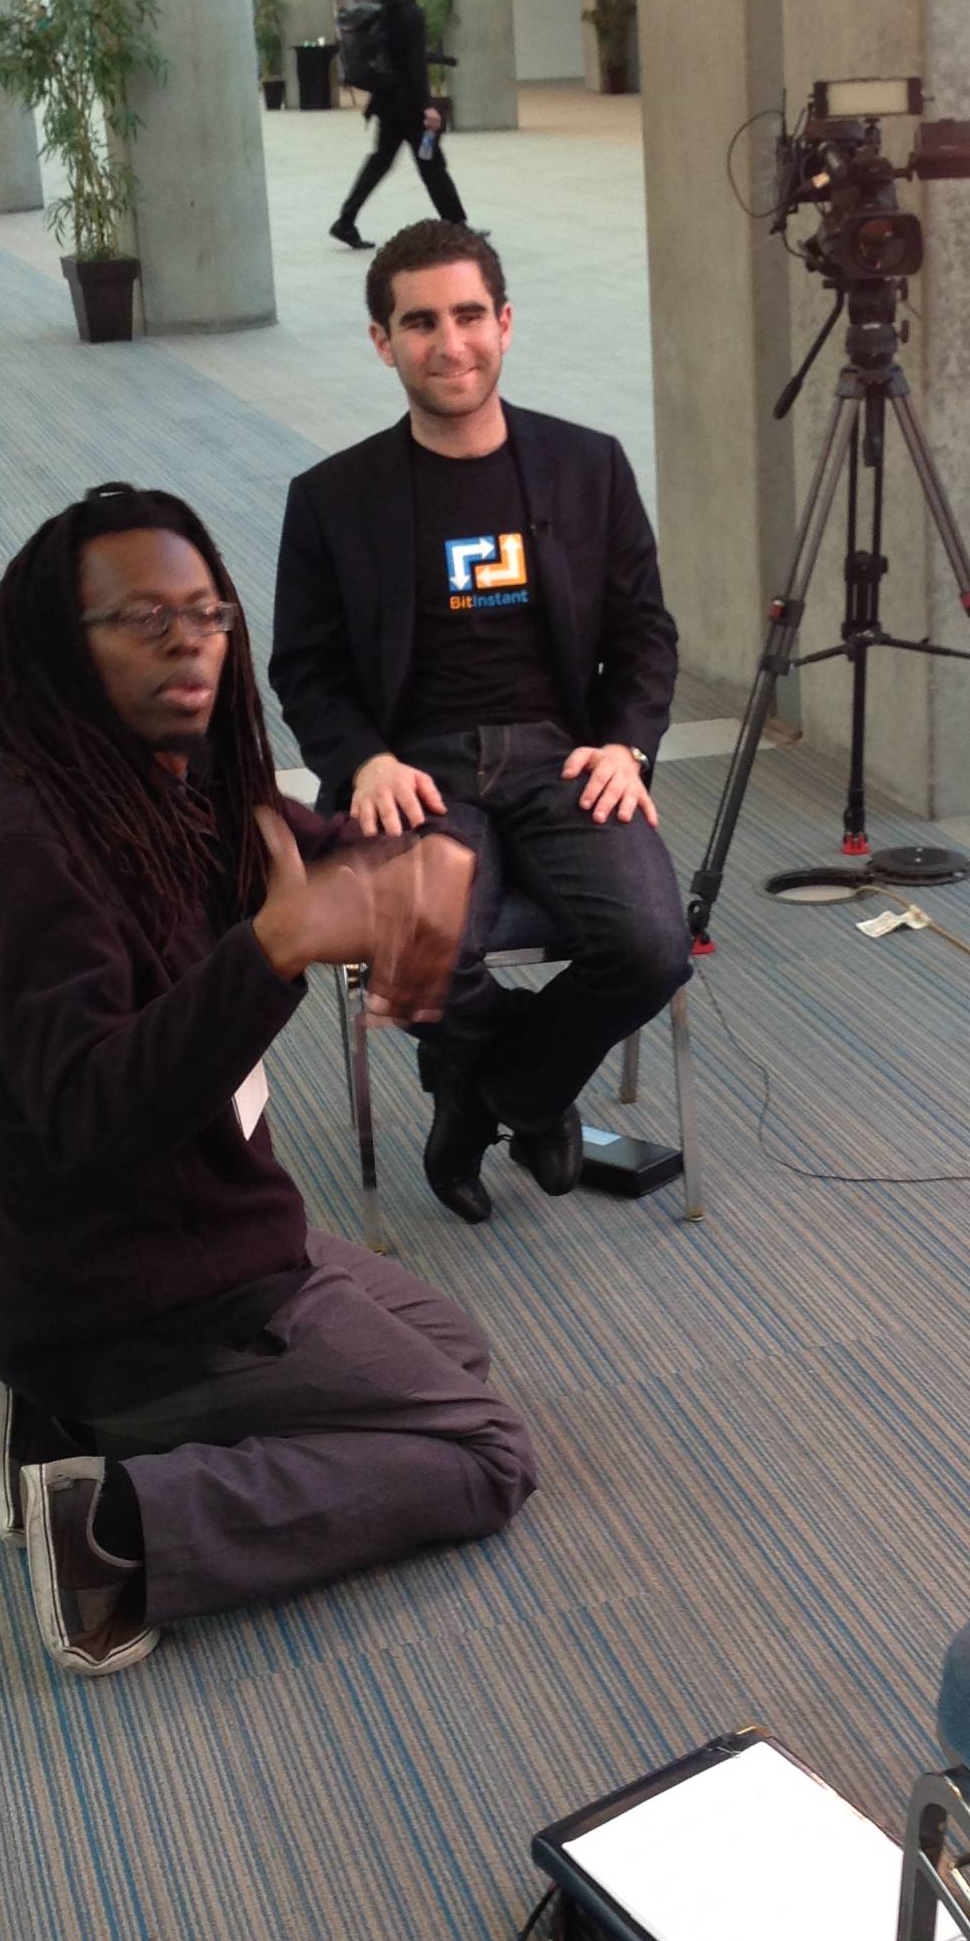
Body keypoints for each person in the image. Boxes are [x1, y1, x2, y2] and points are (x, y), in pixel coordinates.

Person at [0, 480, 536, 1677]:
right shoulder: (27, 854)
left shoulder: (183, 785)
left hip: (214, 1233)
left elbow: (323, 855)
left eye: (208, 612)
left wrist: (414, 871)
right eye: (143, 619)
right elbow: (93, 1121)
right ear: (62, 646)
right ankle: (115, 1530)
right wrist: (275, 948)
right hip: (130, 1297)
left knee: (451, 1350)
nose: (191, 643)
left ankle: (59, 1425)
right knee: (483, 1454)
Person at [270, 220, 690, 1224]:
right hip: (413, 767)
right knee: (415, 960)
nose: (448, 343)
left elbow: (645, 634)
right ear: (384, 342)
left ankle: (492, 1093)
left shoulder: (588, 467)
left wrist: (629, 744)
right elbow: (306, 669)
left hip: (565, 755)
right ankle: (519, 1082)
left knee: (650, 947)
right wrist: (362, 760)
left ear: (504, 324)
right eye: (421, 323)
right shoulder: (332, 499)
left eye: (468, 316)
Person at [330, 0, 465, 248]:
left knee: (381, 161)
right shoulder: (412, 14)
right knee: (432, 164)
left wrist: (438, 59)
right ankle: (457, 226)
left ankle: (346, 220)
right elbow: (413, 65)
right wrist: (428, 106)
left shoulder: (385, 10)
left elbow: (398, 56)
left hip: (387, 102)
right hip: (409, 106)